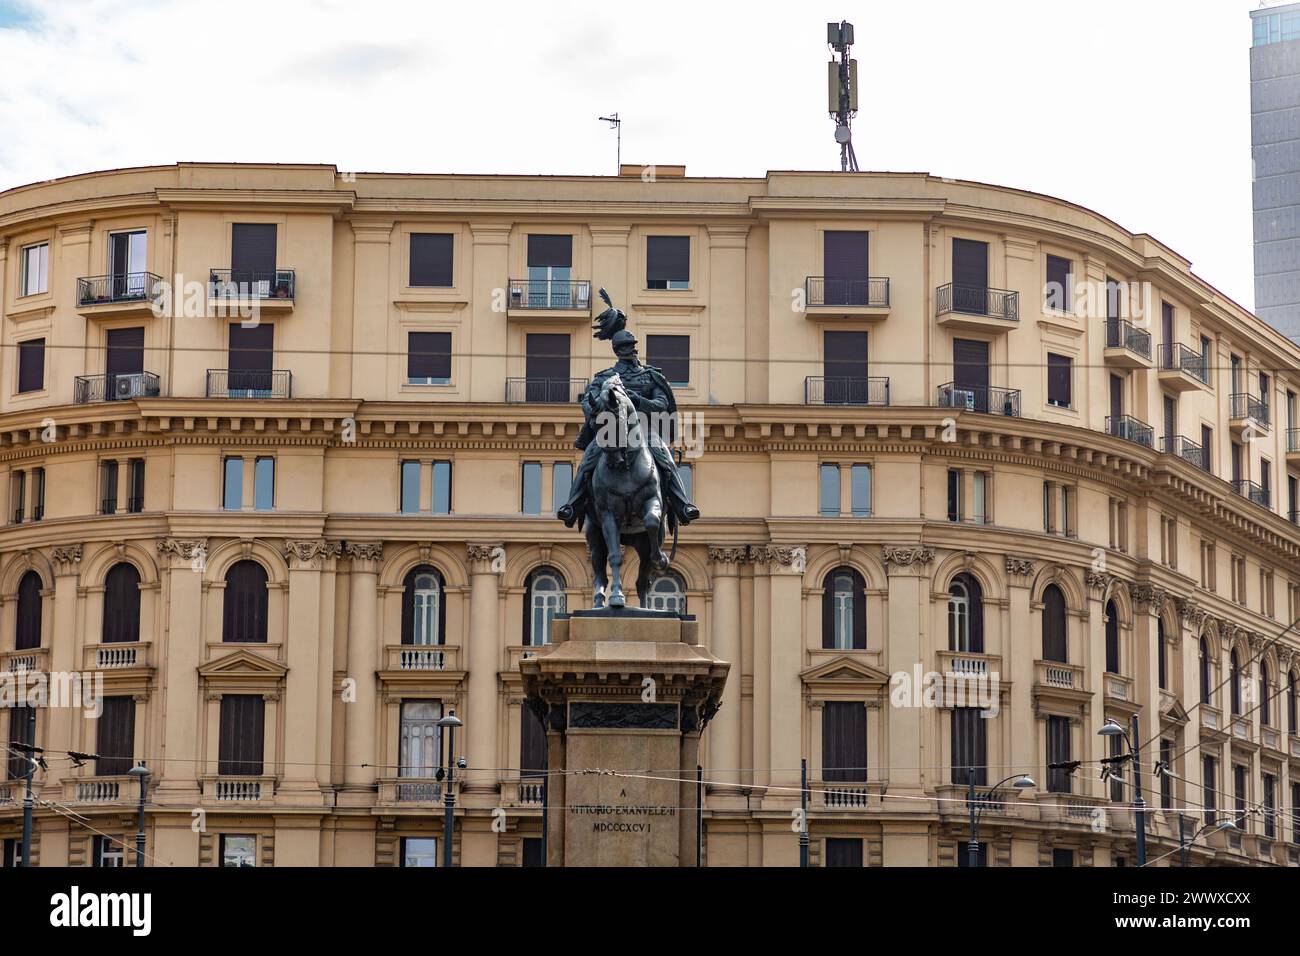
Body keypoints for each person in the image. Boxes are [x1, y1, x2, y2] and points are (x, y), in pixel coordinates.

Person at [556, 328, 699, 530]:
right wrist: (597, 411)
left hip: (645, 431)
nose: (630, 350)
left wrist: (638, 400)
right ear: (617, 350)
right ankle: (572, 505)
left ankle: (682, 503)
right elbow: (588, 402)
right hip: (612, 430)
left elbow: (662, 403)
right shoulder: (605, 378)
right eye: (625, 347)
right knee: (588, 458)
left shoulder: (650, 376)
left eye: (632, 346)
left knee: (665, 457)